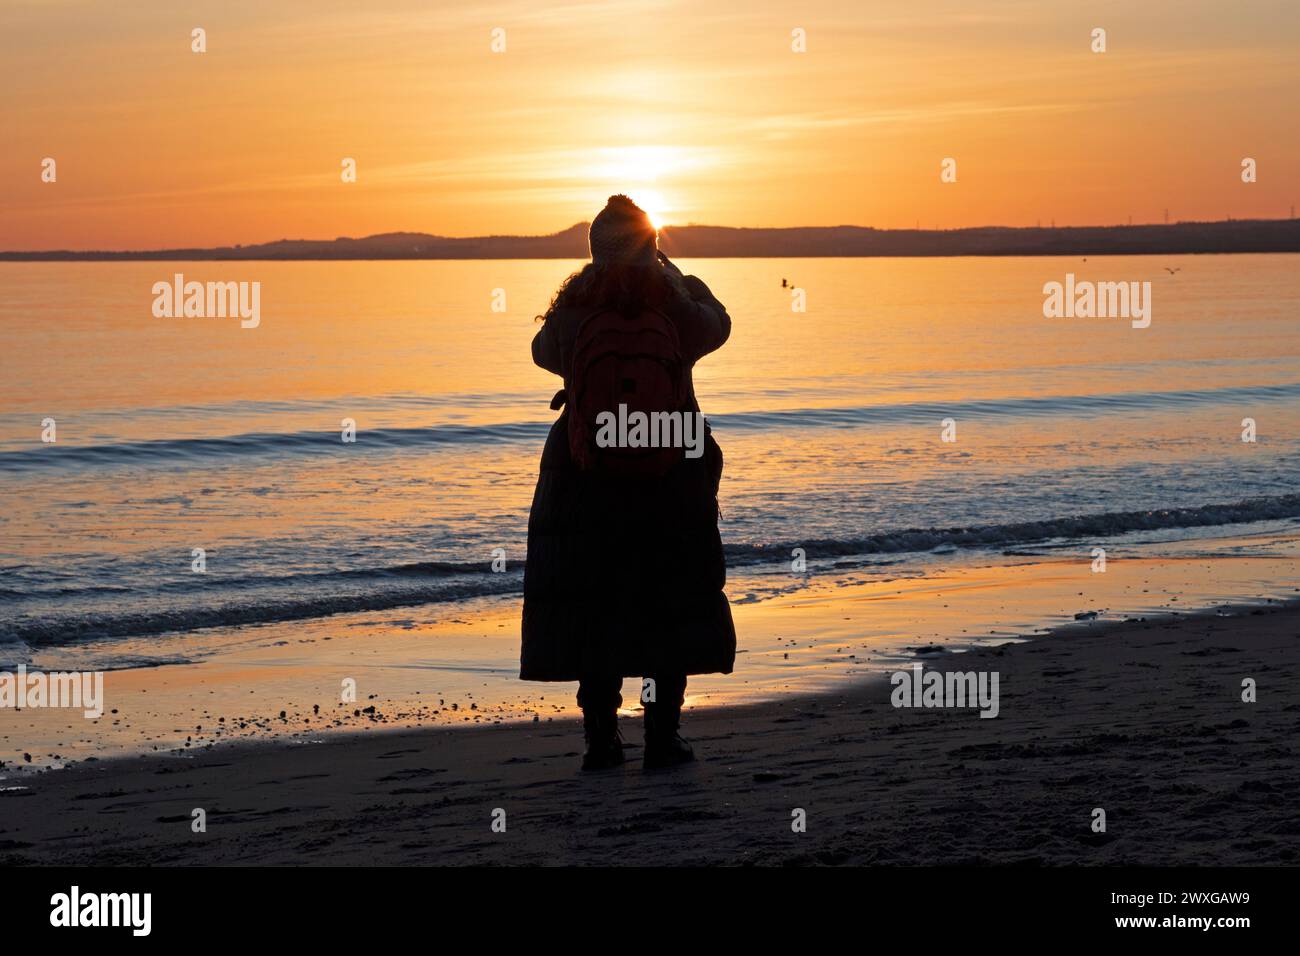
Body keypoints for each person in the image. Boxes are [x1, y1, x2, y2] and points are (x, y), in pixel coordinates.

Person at [521, 194, 736, 771]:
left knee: (596, 607)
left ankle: (600, 742)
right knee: (671, 601)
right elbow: (721, 326)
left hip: (585, 477)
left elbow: (543, 354)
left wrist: (583, 291)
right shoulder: (676, 309)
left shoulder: (576, 311)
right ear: (652, 248)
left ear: (595, 252)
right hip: (673, 471)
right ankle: (663, 739)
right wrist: (681, 277)